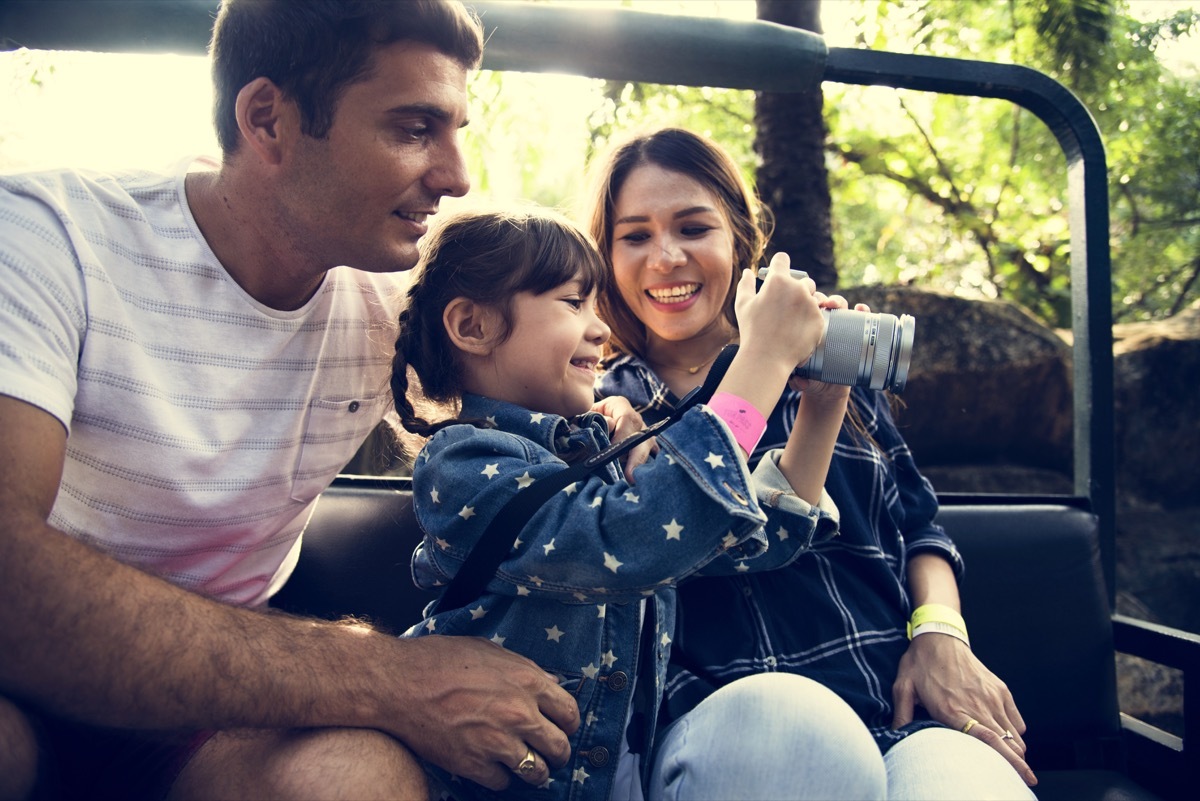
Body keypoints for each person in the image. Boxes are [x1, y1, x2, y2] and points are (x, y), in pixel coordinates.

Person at [0, 2, 633, 798]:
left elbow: (570, 342)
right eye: (413, 128)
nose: (457, 174)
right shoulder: (43, 236)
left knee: (352, 779)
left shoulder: (396, 305)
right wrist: (387, 674)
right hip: (16, 685)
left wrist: (755, 358)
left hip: (209, 716)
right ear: (268, 120)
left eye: (456, 129)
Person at [588, 127, 1039, 800]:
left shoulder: (836, 372)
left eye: (692, 226)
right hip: (730, 724)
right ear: (605, 254)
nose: (667, 256)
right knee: (792, 727)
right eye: (635, 236)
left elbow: (919, 526)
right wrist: (763, 360)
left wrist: (942, 636)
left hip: (896, 713)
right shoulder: (603, 408)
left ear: (739, 239)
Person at [389, 205, 846, 800]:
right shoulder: (462, 464)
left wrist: (823, 406)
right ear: (473, 326)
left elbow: (742, 539)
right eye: (572, 303)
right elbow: (636, 538)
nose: (601, 328)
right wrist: (761, 359)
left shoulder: (603, 453)